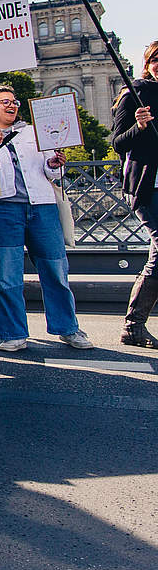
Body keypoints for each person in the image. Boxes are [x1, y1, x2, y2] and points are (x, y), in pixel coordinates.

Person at [0, 84, 92, 352]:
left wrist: (54, 165)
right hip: (4, 209)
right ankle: (13, 333)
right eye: (4, 102)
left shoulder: (34, 132)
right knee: (8, 276)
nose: (11, 105)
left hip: (42, 207)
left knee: (56, 270)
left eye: (13, 101)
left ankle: (68, 328)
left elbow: (52, 174)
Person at [111, 40, 158, 347]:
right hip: (147, 186)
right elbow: (117, 142)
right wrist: (139, 127)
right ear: (148, 63)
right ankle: (133, 325)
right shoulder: (135, 93)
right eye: (157, 59)